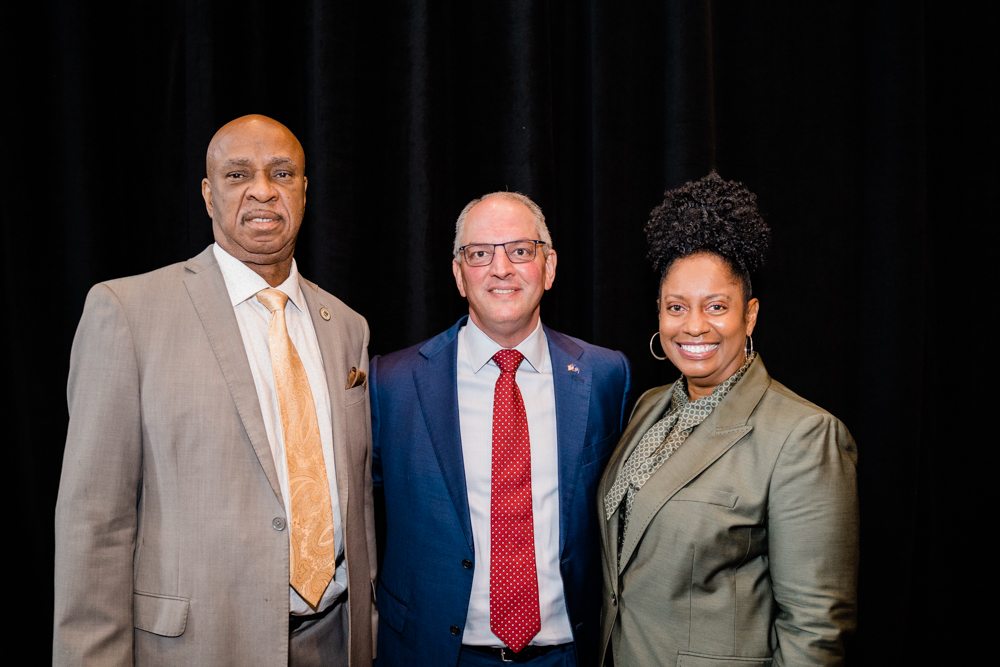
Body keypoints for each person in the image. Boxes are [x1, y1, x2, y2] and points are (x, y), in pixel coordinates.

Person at [53, 115, 377, 667]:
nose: (262, 190)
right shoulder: (128, 313)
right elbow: (94, 523)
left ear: (304, 190)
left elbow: (359, 501)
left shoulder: (347, 326)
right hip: (195, 648)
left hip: (334, 642)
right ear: (208, 194)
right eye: (237, 174)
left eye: (282, 173)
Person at [598, 173, 859, 666]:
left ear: (750, 314)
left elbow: (815, 628)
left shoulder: (804, 436)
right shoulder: (649, 407)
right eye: (677, 307)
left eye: (716, 306)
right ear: (659, 314)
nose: (694, 326)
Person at [370, 192, 632, 666]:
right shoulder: (393, 382)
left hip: (567, 654)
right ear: (458, 274)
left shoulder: (605, 376)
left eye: (520, 250)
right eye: (479, 254)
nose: (501, 268)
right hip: (434, 653)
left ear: (549, 268)